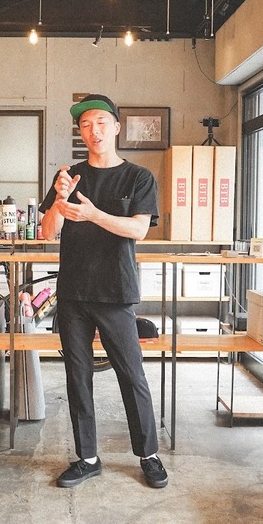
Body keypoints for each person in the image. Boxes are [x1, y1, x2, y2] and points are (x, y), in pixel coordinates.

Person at [40, 93, 167, 490]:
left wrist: (94, 214)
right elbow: (47, 233)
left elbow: (138, 230)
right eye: (85, 125)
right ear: (80, 133)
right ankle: (87, 458)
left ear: (115, 127)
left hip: (115, 291)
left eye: (100, 123)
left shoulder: (138, 177)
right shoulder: (68, 176)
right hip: (73, 292)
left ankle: (148, 454)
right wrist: (59, 202)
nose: (93, 130)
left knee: (132, 375)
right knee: (78, 377)